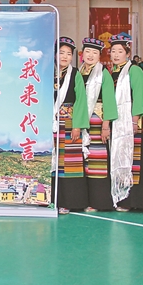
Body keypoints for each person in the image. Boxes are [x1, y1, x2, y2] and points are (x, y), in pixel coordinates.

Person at [106, 34, 143, 212]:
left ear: (128, 53)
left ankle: (131, 200)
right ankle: (118, 196)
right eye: (113, 51)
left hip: (130, 122)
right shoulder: (111, 72)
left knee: (132, 159)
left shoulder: (134, 70)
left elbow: (139, 96)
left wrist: (134, 120)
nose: (116, 55)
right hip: (116, 121)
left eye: (120, 51)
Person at [78, 38, 117, 212]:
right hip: (80, 121)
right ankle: (83, 199)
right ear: (82, 54)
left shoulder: (103, 74)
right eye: (88, 52)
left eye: (95, 53)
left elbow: (109, 101)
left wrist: (106, 125)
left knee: (97, 162)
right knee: (82, 161)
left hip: (97, 122)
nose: (90, 55)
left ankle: (98, 201)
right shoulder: (78, 72)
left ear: (99, 56)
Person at [52, 37, 89, 214]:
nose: (65, 57)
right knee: (50, 161)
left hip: (68, 123)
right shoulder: (46, 72)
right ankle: (50, 199)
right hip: (50, 123)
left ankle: (68, 201)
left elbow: (81, 101)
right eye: (61, 53)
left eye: (68, 54)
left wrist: (77, 126)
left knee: (69, 164)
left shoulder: (75, 75)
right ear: (55, 54)